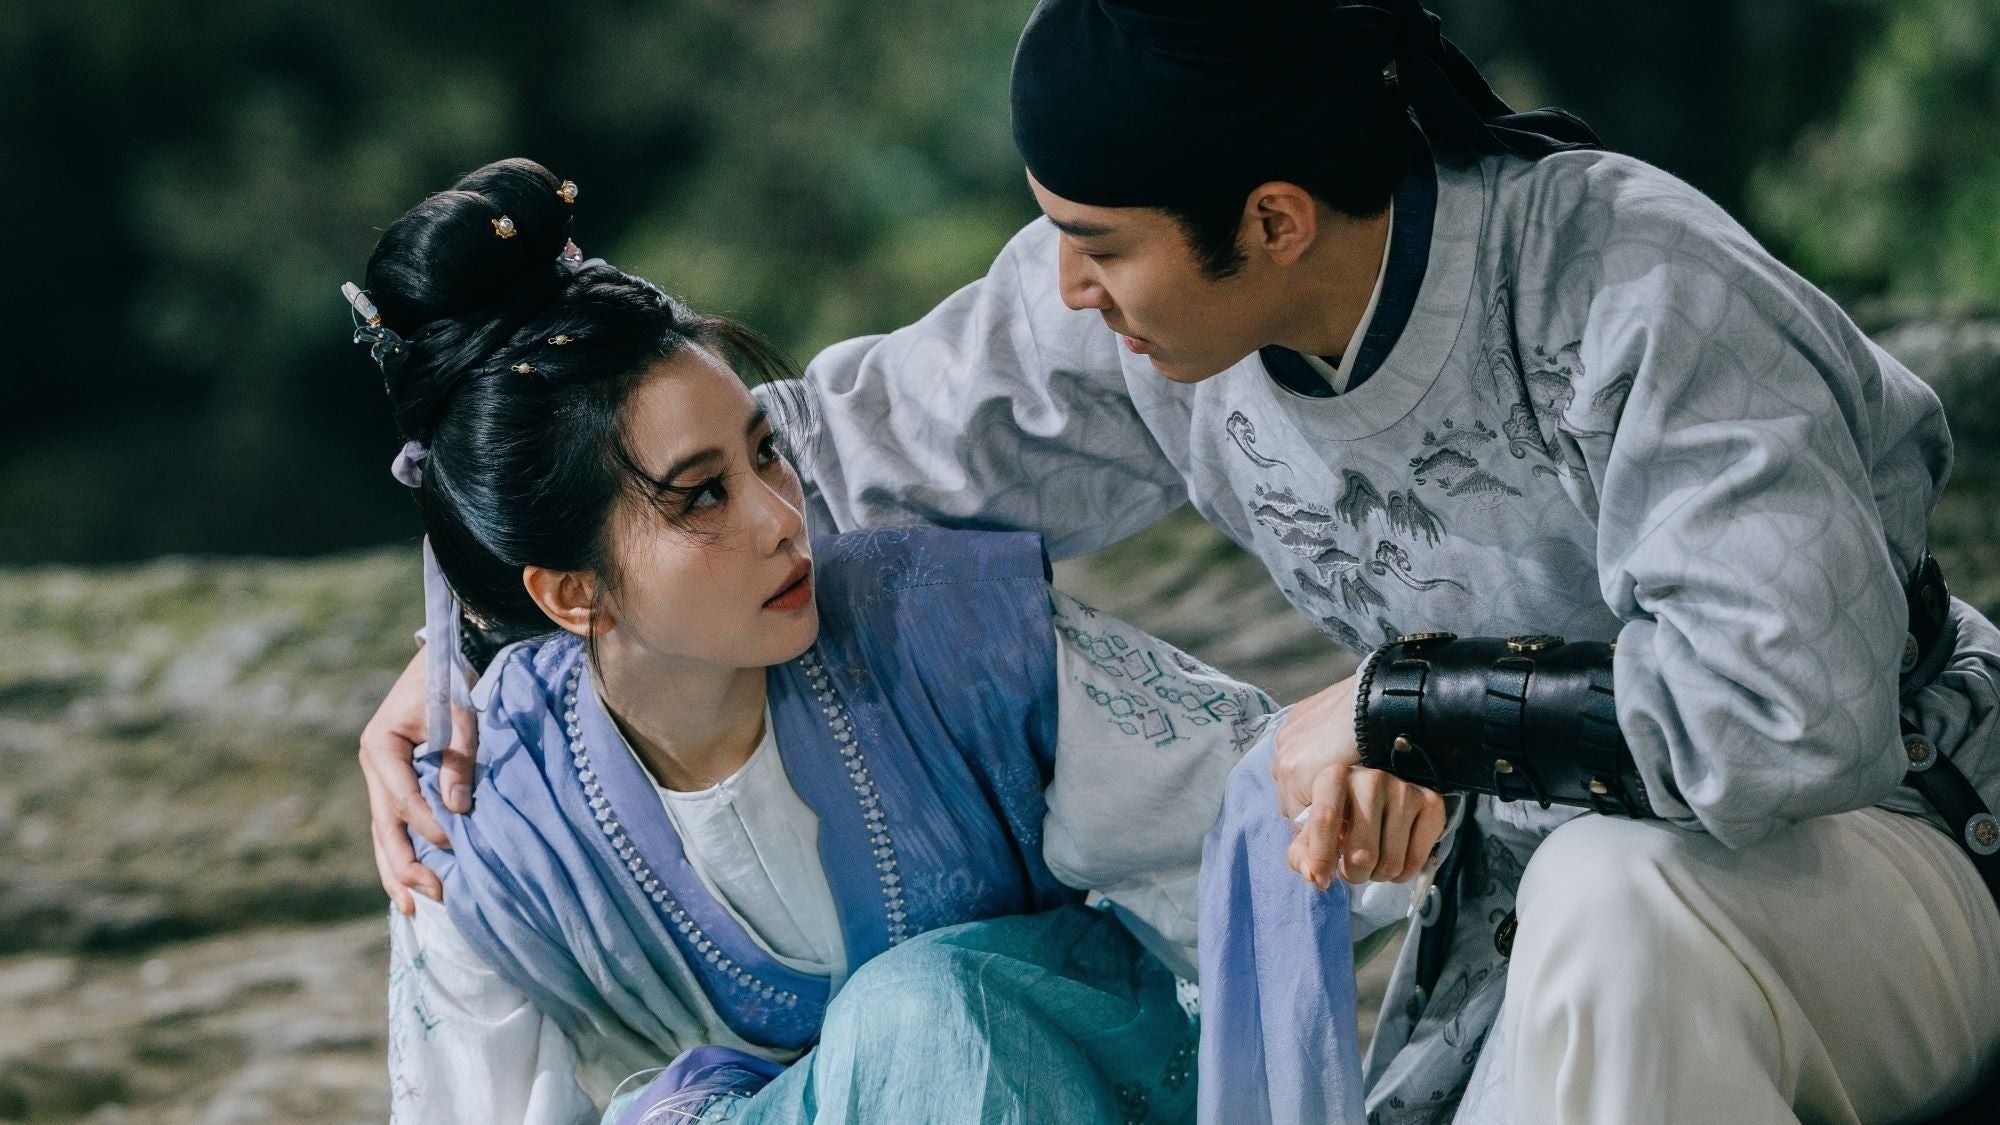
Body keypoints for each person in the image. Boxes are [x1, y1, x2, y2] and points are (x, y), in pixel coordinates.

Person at [362, 1, 2000, 1121]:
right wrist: (481, 639)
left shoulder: (1631, 286)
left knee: (1613, 895)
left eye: (1095, 246)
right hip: (1540, 940)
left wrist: (1403, 705)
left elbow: (1789, 711)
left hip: (1885, 854)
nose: (1064, 291)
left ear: (1273, 221)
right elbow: (759, 454)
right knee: (1590, 910)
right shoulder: (1143, 321)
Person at [350, 157, 1302, 1125]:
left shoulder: (944, 633)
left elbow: (1271, 830)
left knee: (919, 1018)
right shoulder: (489, 821)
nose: (781, 518)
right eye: (702, 496)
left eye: (767, 451)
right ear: (569, 593)